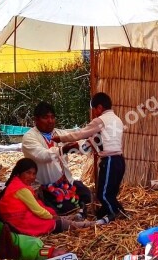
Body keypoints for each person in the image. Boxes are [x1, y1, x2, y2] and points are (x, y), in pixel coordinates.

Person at [53, 92, 126, 222]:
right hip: (120, 160)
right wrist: (81, 147)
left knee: (103, 195)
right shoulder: (117, 120)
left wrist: (61, 138)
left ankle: (117, 215)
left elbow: (80, 134)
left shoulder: (100, 120)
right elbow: (98, 140)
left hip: (110, 161)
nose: (94, 113)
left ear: (99, 107)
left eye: (94, 110)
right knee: (111, 193)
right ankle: (106, 213)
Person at [0, 158, 103, 236]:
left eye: (34, 174)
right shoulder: (21, 189)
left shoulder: (15, 184)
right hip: (19, 223)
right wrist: (52, 217)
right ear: (19, 173)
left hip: (16, 221)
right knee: (57, 222)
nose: (31, 177)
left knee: (56, 217)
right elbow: (38, 211)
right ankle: (92, 224)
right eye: (28, 173)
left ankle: (75, 218)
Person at [21, 101, 93, 216]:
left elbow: (77, 140)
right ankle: (75, 209)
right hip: (46, 186)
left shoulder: (59, 133)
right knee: (65, 207)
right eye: (45, 117)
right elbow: (43, 155)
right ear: (36, 119)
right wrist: (64, 149)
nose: (50, 121)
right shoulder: (29, 137)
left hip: (66, 183)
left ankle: (80, 208)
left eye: (52, 117)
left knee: (86, 194)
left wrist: (90, 142)